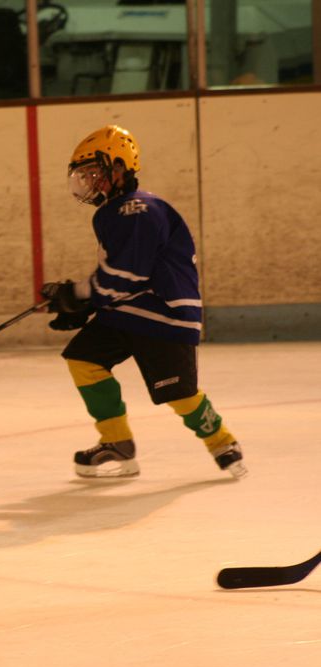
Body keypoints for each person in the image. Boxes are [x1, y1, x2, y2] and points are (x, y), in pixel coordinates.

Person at [41, 124, 246, 480]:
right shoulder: (115, 211)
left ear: (119, 169)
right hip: (129, 311)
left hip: (163, 315)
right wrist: (89, 304)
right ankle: (117, 444)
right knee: (84, 359)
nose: (88, 182)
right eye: (83, 175)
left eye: (95, 173)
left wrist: (79, 296)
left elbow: (128, 273)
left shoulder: (137, 209)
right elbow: (121, 277)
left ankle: (222, 442)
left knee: (179, 394)